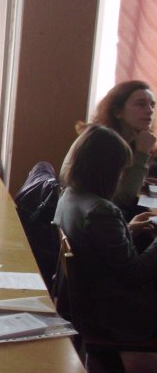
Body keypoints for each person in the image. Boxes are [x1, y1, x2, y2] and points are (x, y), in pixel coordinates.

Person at [55, 124, 157, 341]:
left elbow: (93, 247)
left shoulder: (69, 195)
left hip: (90, 301)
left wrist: (127, 228)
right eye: (121, 170)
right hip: (114, 311)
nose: (122, 178)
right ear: (107, 171)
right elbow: (134, 274)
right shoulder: (102, 211)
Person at [67, 80, 156, 213]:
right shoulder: (103, 142)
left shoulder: (126, 140)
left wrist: (140, 181)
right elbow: (121, 200)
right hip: (93, 217)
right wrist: (142, 154)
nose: (150, 111)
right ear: (117, 111)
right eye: (140, 104)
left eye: (152, 105)